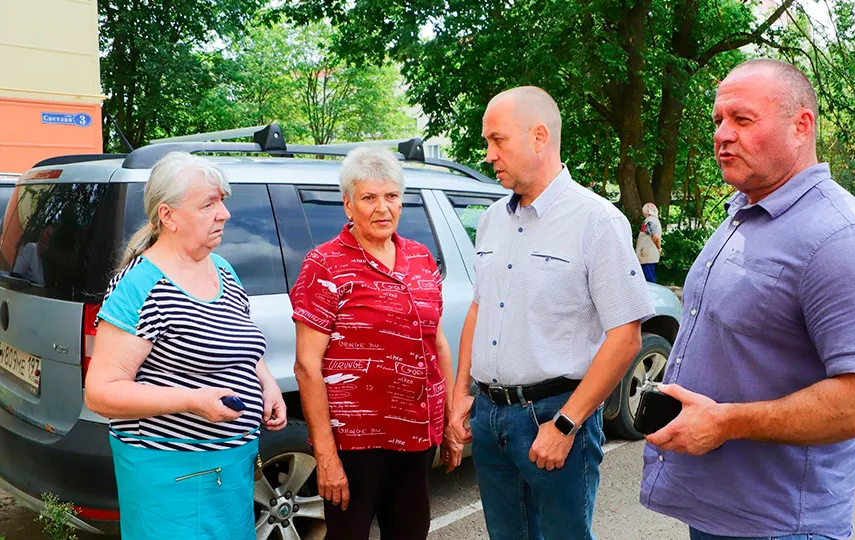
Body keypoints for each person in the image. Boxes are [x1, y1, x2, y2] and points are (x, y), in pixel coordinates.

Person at [640, 59, 855, 540]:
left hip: (780, 525)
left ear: (801, 125)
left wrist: (726, 423)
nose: (723, 134)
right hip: (718, 512)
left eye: (742, 120)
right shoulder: (744, 212)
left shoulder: (844, 238)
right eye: (718, 121)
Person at [447, 86, 654, 540]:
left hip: (556, 416)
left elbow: (626, 338)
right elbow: (479, 310)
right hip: (489, 417)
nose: (488, 155)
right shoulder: (491, 219)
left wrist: (566, 424)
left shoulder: (596, 221)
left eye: (497, 140)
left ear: (539, 137)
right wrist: (461, 393)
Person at [84, 152, 288, 540]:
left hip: (230, 467)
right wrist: (192, 400)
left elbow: (240, 340)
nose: (224, 214)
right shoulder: (141, 286)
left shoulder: (222, 268)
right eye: (209, 203)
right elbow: (100, 392)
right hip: (170, 475)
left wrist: (266, 383)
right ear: (169, 215)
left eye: (222, 201)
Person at [290, 145, 461, 540]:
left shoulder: (420, 258)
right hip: (354, 444)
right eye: (369, 198)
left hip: (417, 437)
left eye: (391, 196)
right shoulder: (324, 264)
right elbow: (306, 366)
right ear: (348, 206)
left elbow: (436, 342)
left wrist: (451, 420)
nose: (382, 208)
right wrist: (326, 456)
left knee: (410, 533)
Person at [635, 202, 662, 283]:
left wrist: (659, 247)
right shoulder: (652, 221)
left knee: (649, 280)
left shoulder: (651, 222)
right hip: (647, 256)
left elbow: (655, 237)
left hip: (647, 256)